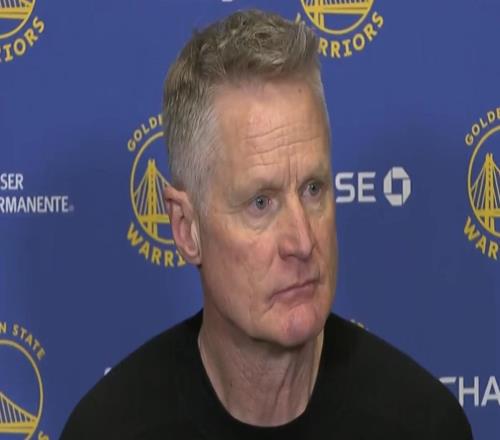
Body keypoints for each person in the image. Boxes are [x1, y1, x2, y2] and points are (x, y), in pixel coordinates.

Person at [61, 9, 473, 439]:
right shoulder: (107, 430)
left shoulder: (424, 425)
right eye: (261, 203)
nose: (302, 241)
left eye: (313, 189)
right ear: (186, 228)